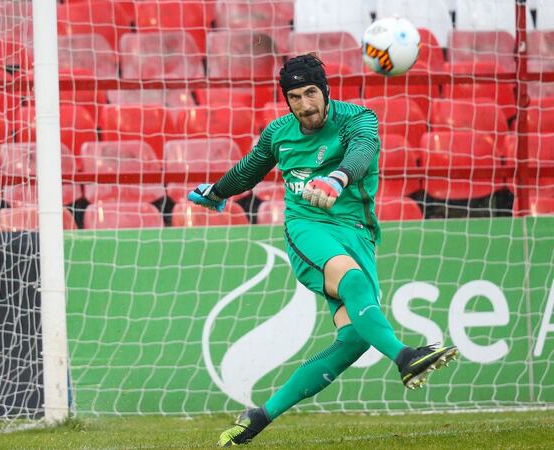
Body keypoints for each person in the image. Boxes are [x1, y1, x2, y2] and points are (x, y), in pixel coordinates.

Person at [187, 54, 459, 447]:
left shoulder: (358, 119)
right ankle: (404, 357)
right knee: (351, 281)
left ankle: (260, 416)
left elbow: (362, 154)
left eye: (311, 92)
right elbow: (250, 170)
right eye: (294, 97)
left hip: (358, 232)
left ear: (326, 90)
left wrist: (336, 178)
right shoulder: (279, 133)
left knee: (355, 338)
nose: (304, 104)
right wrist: (216, 192)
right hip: (307, 228)